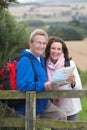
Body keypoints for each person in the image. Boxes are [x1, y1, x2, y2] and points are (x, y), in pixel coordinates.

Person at [15, 29, 67, 130]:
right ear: (30, 43)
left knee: (61, 116)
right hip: (29, 107)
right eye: (39, 43)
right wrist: (43, 86)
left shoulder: (40, 59)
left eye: (44, 43)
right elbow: (23, 85)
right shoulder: (25, 60)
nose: (42, 46)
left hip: (42, 104)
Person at [45, 36, 82, 121]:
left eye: (59, 49)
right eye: (53, 48)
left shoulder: (69, 64)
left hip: (70, 109)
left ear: (62, 51)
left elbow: (79, 88)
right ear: (49, 50)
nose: (55, 51)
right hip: (54, 110)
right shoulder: (44, 65)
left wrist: (73, 82)